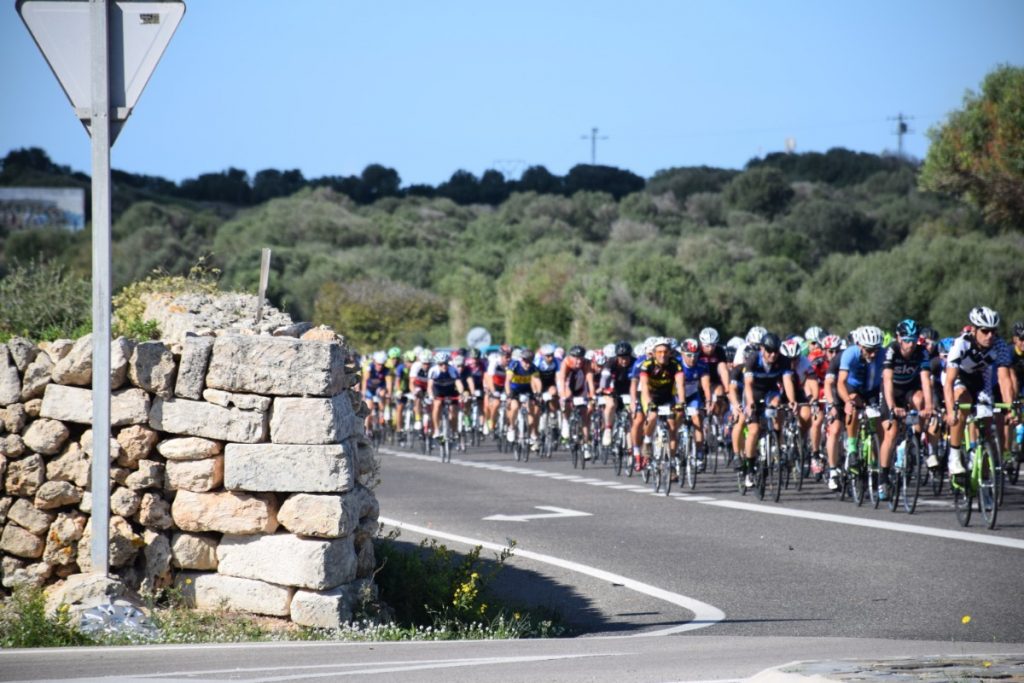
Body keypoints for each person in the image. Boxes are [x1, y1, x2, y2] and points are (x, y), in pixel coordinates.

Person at [943, 307, 1014, 476]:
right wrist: (950, 410)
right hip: (960, 376)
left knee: (987, 423)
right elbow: (949, 382)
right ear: (974, 329)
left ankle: (984, 475)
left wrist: (1010, 407)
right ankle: (954, 457)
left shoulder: (1000, 345)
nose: (990, 335)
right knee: (963, 404)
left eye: (994, 331)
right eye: (985, 331)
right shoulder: (961, 343)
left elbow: (1004, 378)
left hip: (982, 378)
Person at [879, 319, 934, 498]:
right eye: (906, 340)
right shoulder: (891, 350)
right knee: (891, 432)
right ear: (898, 338)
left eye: (913, 340)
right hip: (892, 391)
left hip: (910, 389)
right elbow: (887, 380)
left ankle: (915, 440)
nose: (910, 345)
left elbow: (926, 380)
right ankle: (883, 478)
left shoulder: (921, 352)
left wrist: (929, 406)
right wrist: (892, 406)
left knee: (921, 400)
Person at [742, 333, 795, 488]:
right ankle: (750, 468)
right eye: (769, 351)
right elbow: (748, 384)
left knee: (777, 404)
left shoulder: (783, 360)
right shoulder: (753, 359)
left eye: (776, 351)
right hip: (754, 392)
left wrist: (792, 401)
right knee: (754, 431)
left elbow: (787, 381)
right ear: (762, 349)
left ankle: (776, 443)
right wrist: (750, 403)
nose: (773, 355)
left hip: (771, 392)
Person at [638, 337, 686, 468]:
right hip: (650, 396)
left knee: (672, 427)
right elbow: (644, 386)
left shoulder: (676, 365)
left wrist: (681, 402)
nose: (662, 354)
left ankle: (670, 463)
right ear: (653, 353)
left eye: (665, 351)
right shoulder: (647, 365)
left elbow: (680, 385)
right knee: (652, 416)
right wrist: (649, 404)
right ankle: (647, 442)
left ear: (670, 352)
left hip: (667, 397)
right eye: (659, 352)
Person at [558, 345, 597, 459]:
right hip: (567, 386)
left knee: (585, 414)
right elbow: (562, 380)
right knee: (567, 399)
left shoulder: (587, 363)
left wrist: (592, 396)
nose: (579, 361)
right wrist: (563, 397)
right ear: (571, 357)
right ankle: (565, 421)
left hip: (580, 388)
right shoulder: (565, 362)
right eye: (576, 358)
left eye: (581, 358)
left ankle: (585, 445)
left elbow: (590, 381)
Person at [505, 346, 542, 451]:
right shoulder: (514, 365)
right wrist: (508, 394)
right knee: (515, 407)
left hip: (527, 389)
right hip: (514, 390)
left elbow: (537, 381)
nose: (527, 364)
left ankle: (530, 434)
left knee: (532, 409)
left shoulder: (533, 367)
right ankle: (511, 427)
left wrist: (538, 393)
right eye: (525, 361)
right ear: (521, 359)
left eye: (530, 361)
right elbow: (507, 381)